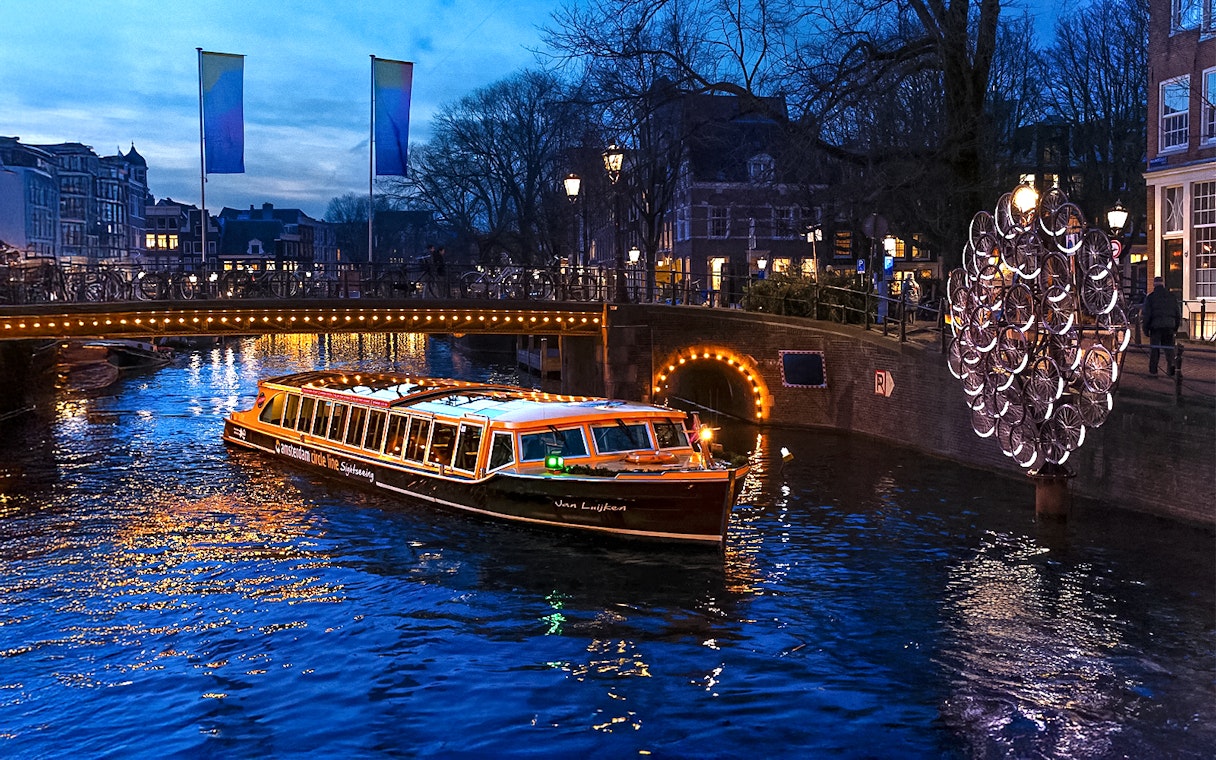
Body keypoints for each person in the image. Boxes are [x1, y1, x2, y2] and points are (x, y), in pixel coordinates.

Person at [1142, 276, 1181, 376]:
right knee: (1169, 349)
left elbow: (1147, 314)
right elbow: (1177, 313)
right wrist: (1175, 327)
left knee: (1155, 349)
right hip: (1169, 326)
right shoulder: (1171, 296)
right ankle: (1171, 368)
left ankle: (1153, 371)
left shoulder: (1151, 297)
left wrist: (1145, 329)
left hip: (1156, 327)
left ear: (1154, 284)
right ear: (1163, 284)